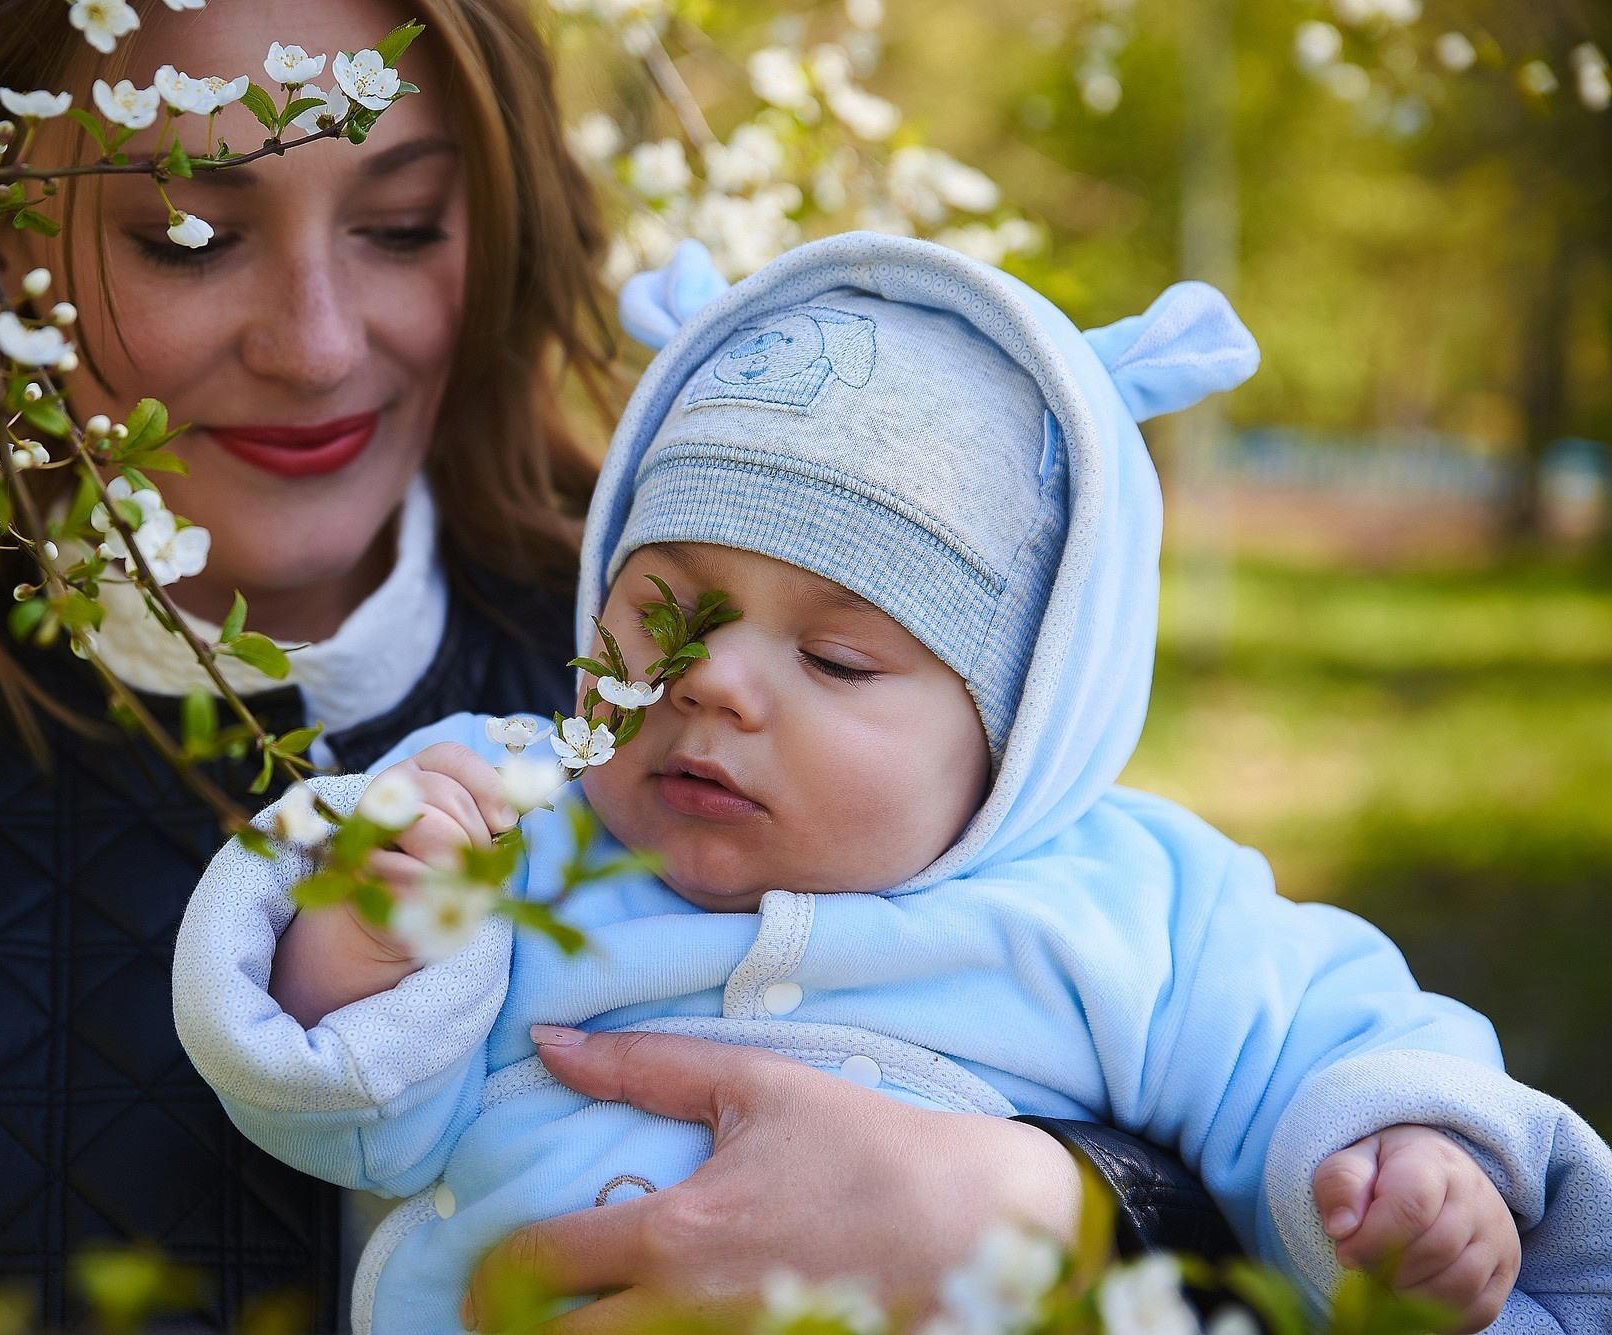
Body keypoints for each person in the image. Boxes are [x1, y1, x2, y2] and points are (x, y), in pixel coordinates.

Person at [0, 3, 1234, 1331]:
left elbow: (1255, 1123)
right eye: (189, 233)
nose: (319, 342)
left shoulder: (719, 693)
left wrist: (1054, 1208)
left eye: (399, 226)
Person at [173, 234, 1612, 1334]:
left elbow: (1320, 1035)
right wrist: (362, 938)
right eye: (661, 612)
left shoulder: (1135, 904)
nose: (714, 683)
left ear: (1022, 728)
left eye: (840, 659)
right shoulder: (510, 818)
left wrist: (1403, 1161)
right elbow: (345, 1109)